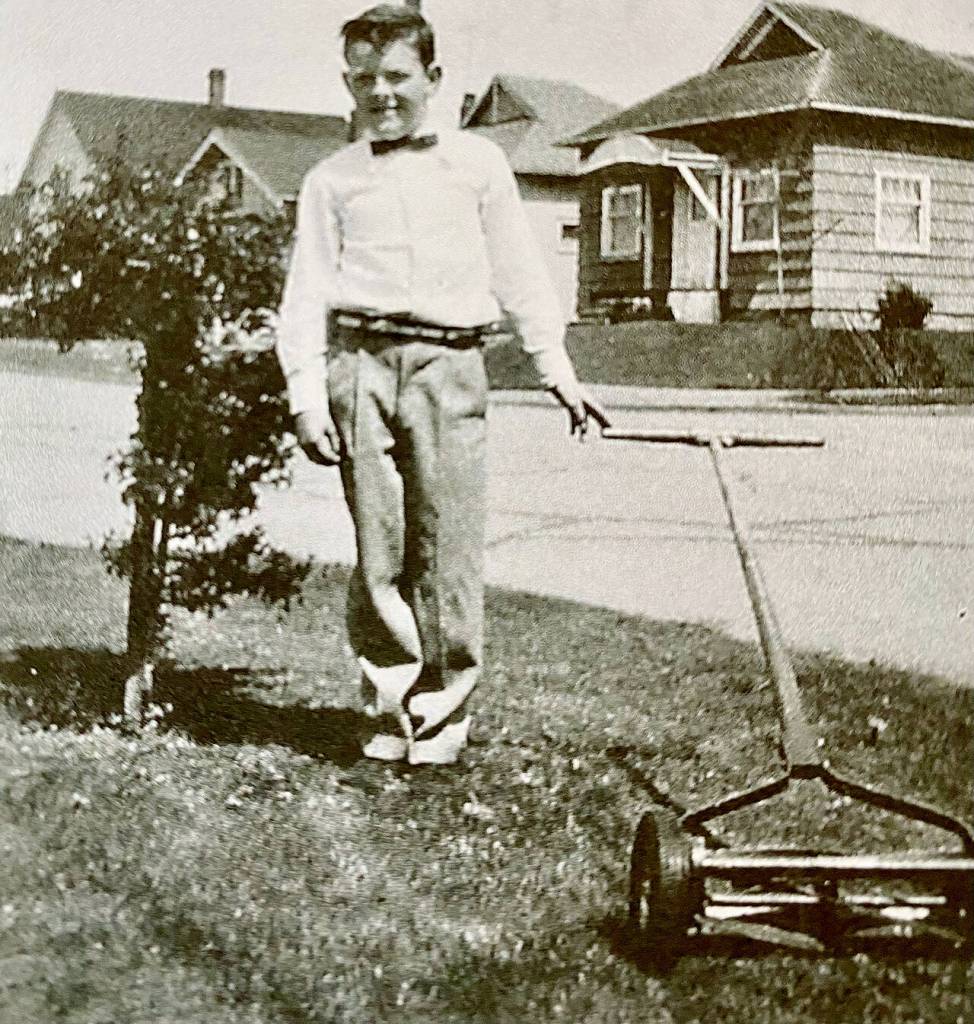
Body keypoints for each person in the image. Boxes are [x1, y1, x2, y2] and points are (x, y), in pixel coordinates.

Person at [275, 3, 607, 766]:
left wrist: (556, 369)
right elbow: (305, 295)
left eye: (397, 77)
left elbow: (521, 271)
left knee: (449, 544)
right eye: (365, 80)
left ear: (434, 79)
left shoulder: (478, 165)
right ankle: (391, 709)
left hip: (451, 366)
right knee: (381, 548)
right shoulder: (332, 180)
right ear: (347, 85)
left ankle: (445, 715)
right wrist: (305, 395)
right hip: (359, 368)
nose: (382, 93)